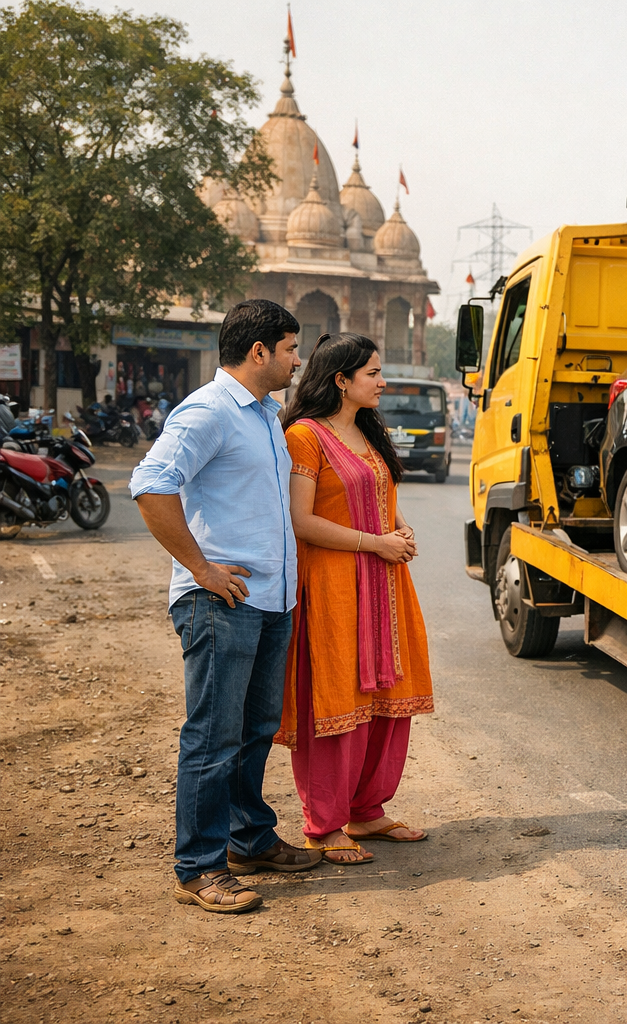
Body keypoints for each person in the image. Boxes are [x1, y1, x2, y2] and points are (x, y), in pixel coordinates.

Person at [130, 298, 319, 914]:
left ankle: (248, 840)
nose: (298, 360)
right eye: (291, 349)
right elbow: (150, 486)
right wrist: (201, 568)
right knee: (212, 737)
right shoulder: (208, 411)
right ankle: (200, 868)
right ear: (260, 351)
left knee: (255, 731)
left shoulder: (266, 414)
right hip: (222, 602)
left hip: (270, 600)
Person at [278, 333, 434, 865]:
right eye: (373, 372)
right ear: (341, 379)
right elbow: (303, 521)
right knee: (336, 703)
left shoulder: (369, 432)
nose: (382, 381)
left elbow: (381, 498)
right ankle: (323, 826)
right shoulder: (305, 437)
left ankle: (367, 811)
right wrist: (377, 542)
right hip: (334, 587)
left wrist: (401, 528)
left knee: (388, 702)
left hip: (385, 586)